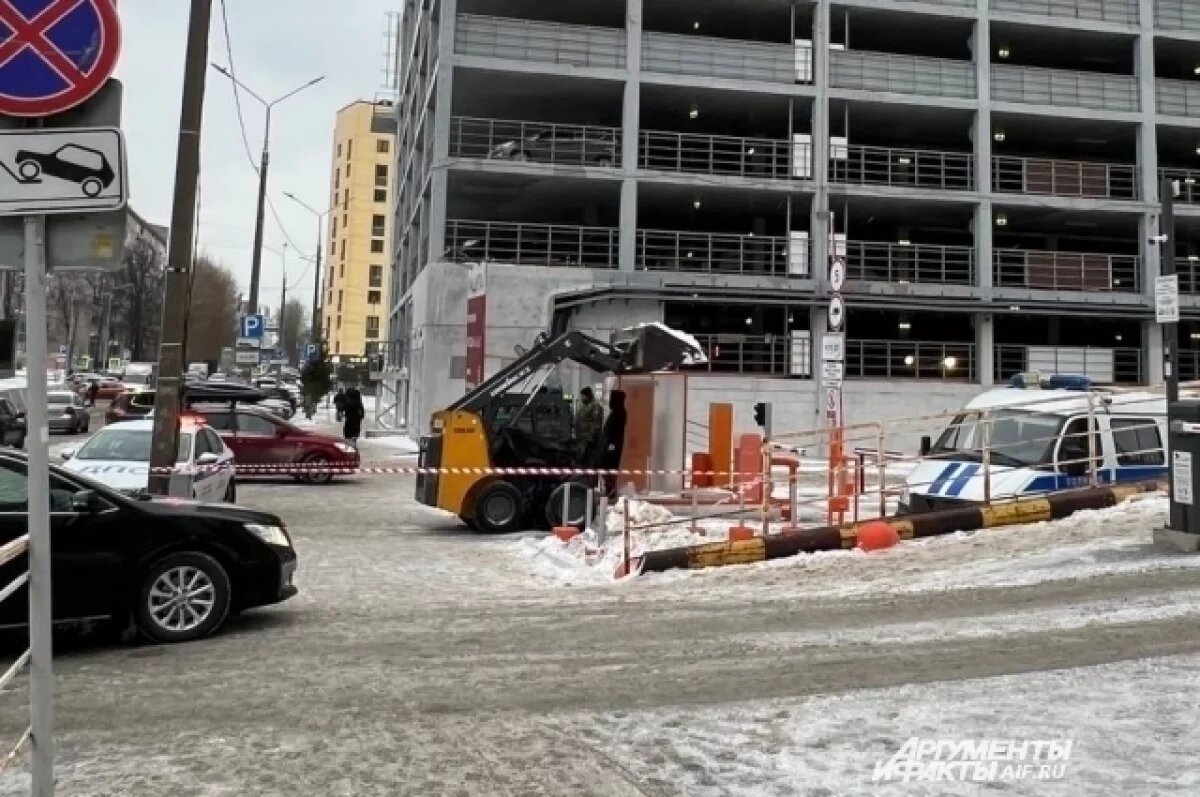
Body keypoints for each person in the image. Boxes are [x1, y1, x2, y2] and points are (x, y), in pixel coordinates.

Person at [598, 390, 627, 499]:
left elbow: (616, 432)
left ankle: (611, 489)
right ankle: (609, 489)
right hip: (611, 444)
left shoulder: (619, 413)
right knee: (606, 466)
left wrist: (611, 446)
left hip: (612, 445)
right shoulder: (617, 412)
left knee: (607, 466)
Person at [574, 387, 604, 465]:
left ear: (587, 395)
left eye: (583, 396)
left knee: (589, 461)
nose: (582, 398)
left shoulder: (595, 407)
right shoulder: (585, 406)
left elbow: (596, 424)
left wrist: (591, 437)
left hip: (590, 440)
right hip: (583, 439)